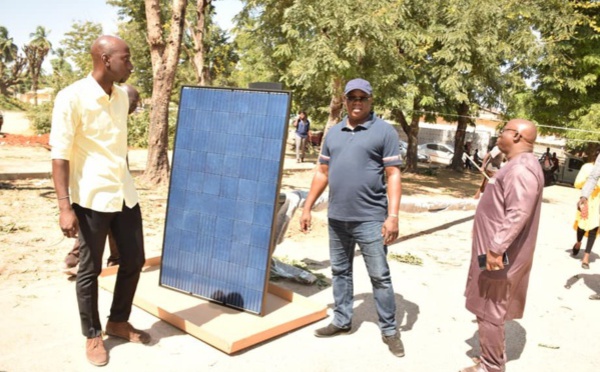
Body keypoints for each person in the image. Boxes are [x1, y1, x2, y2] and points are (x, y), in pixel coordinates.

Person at [49, 35, 149, 367]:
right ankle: (93, 334)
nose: (131, 64)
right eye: (126, 58)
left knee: (134, 259)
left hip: (123, 193)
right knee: (89, 269)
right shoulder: (72, 97)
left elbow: (116, 148)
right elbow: (60, 156)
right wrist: (65, 207)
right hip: (90, 197)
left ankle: (117, 321)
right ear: (105, 59)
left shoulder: (121, 96)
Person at [300, 78, 404, 357]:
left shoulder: (384, 131)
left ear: (371, 101)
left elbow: (393, 174)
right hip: (337, 217)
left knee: (380, 276)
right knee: (340, 271)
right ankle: (342, 320)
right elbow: (322, 172)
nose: (357, 102)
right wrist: (307, 206)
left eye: (362, 98)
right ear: (345, 100)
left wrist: (392, 216)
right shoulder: (333, 133)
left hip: (371, 218)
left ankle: (390, 330)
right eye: (352, 97)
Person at [461, 119, 544, 372]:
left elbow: (518, 212)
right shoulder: (515, 166)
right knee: (486, 306)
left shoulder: (521, 170)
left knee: (489, 309)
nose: (499, 135)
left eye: (504, 130)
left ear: (517, 136)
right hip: (493, 251)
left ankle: (491, 366)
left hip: (499, 255)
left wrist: (496, 249)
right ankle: (490, 356)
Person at [62, 84, 141, 276]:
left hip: (117, 184)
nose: (132, 107)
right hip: (93, 183)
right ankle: (80, 257)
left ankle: (113, 259)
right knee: (93, 225)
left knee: (117, 223)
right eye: (133, 102)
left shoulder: (119, 116)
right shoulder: (96, 110)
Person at [572, 150, 600, 269]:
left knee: (595, 227)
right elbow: (593, 178)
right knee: (582, 226)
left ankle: (586, 256)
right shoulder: (587, 167)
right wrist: (584, 196)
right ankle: (578, 242)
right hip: (589, 199)